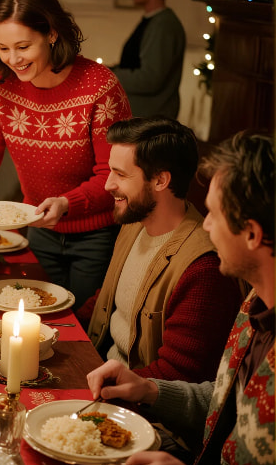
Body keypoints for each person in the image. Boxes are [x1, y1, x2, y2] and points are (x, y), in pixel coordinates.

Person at [86, 130, 273, 465]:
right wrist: (149, 390)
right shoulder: (254, 307)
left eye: (213, 215)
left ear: (253, 234)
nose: (203, 225)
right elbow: (227, 404)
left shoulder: (207, 269)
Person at [0, 0, 132, 308]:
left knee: (80, 330)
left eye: (23, 47)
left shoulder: (99, 86)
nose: (12, 59)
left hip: (97, 236)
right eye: (3, 47)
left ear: (51, 33)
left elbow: (114, 176)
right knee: (36, 321)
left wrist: (67, 203)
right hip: (37, 232)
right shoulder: (0, 86)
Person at [87, 117, 241, 382]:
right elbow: (108, 300)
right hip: (99, 368)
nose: (108, 184)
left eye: (121, 174)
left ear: (160, 180)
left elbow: (178, 375)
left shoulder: (204, 268)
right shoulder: (135, 222)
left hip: (137, 406)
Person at [111, 0, 185, 119]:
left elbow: (150, 79)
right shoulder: (153, 21)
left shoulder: (164, 25)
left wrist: (110, 76)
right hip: (140, 116)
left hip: (148, 120)